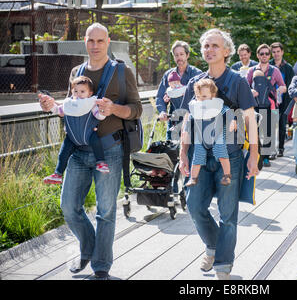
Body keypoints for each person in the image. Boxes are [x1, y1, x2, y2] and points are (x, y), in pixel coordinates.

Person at [38, 23, 142, 280]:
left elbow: (136, 109)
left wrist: (114, 109)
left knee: (106, 211)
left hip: (109, 150)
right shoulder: (77, 71)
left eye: (100, 41)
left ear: (108, 42)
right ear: (85, 41)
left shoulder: (121, 71)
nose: (95, 46)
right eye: (90, 40)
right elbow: (73, 106)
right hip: (78, 150)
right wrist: (52, 106)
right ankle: (89, 248)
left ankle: (101, 266)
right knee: (69, 207)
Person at [178, 28, 259, 280]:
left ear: (226, 51)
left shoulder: (237, 82)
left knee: (228, 215)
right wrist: (182, 154)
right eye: (206, 46)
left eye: (215, 46)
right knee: (193, 205)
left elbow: (251, 120)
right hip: (199, 157)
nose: (209, 50)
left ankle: (223, 266)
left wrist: (255, 154)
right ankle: (213, 246)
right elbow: (187, 121)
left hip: (230, 156)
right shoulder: (194, 82)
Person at [43, 76, 108, 185]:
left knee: (96, 141)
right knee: (63, 153)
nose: (78, 94)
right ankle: (58, 174)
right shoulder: (69, 104)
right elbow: (58, 111)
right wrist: (50, 104)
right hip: (72, 138)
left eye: (82, 91)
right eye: (76, 91)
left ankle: (101, 162)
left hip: (88, 134)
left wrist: (102, 112)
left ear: (90, 93)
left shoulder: (90, 103)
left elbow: (99, 116)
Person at [185, 78, 233, 187]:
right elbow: (190, 119)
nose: (201, 100)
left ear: (213, 96)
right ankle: (193, 178)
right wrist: (186, 129)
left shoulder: (217, 106)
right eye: (198, 97)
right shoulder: (196, 107)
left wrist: (232, 121)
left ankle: (227, 175)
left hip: (217, 136)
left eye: (204, 97)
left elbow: (228, 112)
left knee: (222, 154)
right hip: (201, 138)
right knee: (197, 157)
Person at [246, 43, 286, 167]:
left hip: (269, 105)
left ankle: (266, 158)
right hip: (255, 105)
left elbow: (283, 85)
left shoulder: (275, 71)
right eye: (261, 53)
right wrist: (251, 91)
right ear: (257, 55)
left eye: (267, 53)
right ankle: (256, 156)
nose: (264, 56)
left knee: (268, 132)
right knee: (254, 132)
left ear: (270, 55)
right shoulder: (251, 70)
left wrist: (280, 90)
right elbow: (245, 86)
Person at [156, 40, 202, 140]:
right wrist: (162, 111)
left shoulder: (197, 74)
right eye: (176, 55)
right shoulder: (168, 75)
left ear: (187, 55)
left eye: (181, 54)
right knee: (171, 152)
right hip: (174, 121)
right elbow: (160, 96)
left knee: (190, 153)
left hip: (193, 122)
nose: (179, 57)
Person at [269, 42, 294, 158]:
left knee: (282, 125)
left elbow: (291, 86)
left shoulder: (288, 68)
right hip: (271, 102)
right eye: (273, 52)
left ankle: (281, 148)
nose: (276, 54)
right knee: (271, 126)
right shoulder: (268, 66)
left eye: (278, 51)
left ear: (282, 52)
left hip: (284, 101)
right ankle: (271, 150)